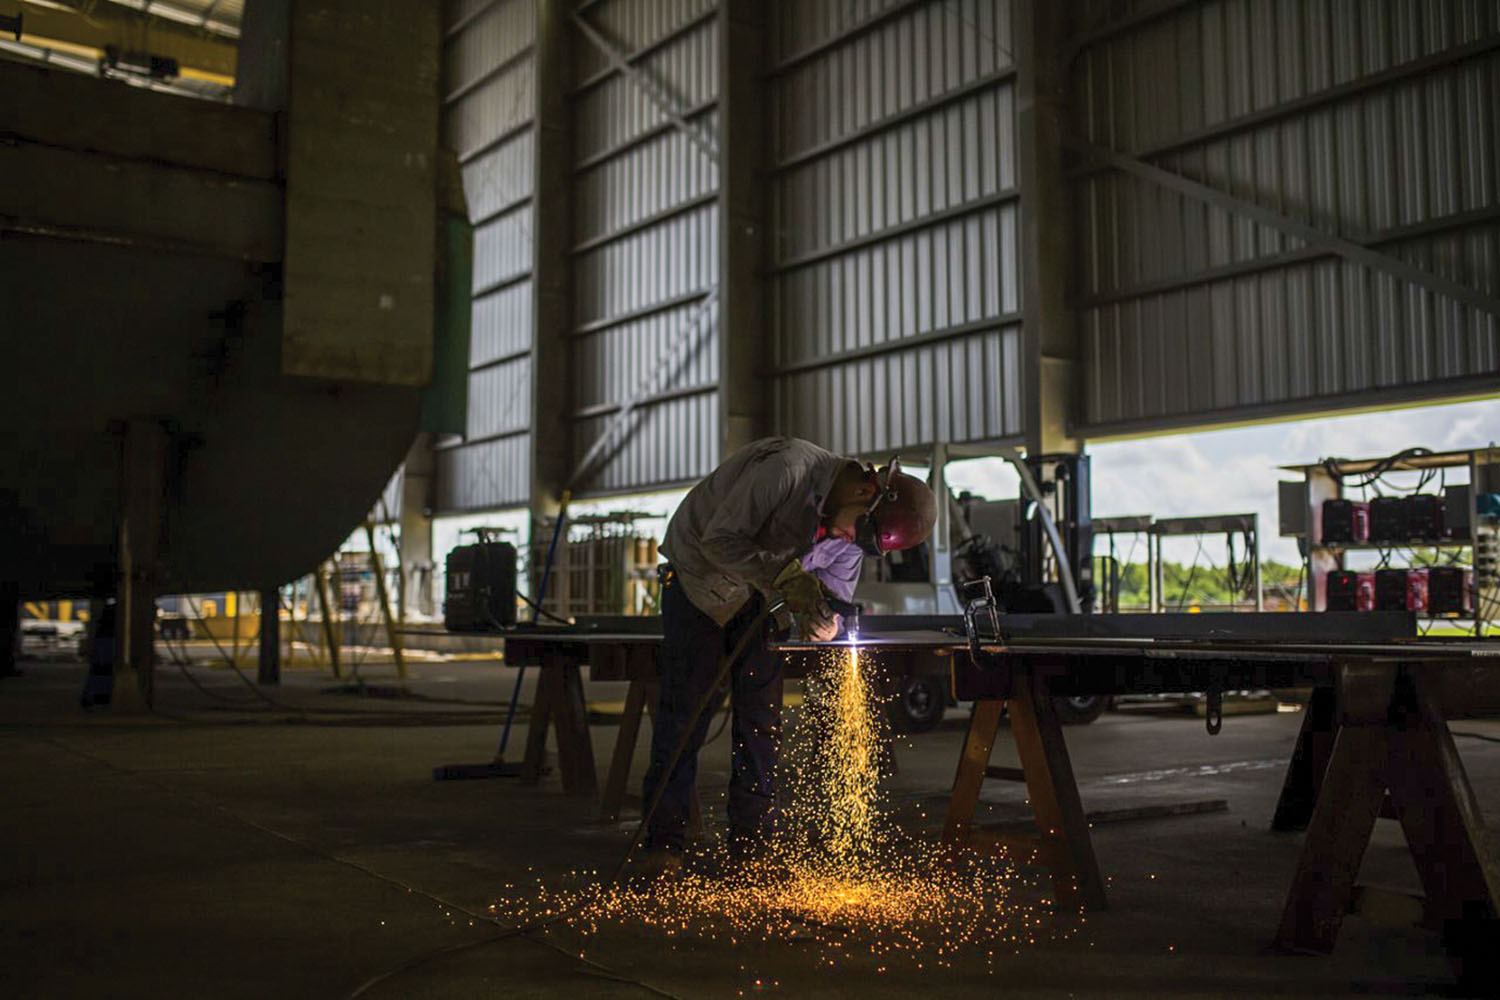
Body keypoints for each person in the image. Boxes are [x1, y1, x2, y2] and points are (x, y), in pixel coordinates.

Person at [636, 436, 937, 874]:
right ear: (865, 490)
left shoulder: (854, 536)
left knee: (761, 719)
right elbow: (718, 541)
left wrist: (824, 623)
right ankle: (664, 842)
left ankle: (752, 845)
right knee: (686, 713)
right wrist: (786, 578)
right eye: (856, 529)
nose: (848, 539)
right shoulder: (787, 470)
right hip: (697, 582)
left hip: (760, 596)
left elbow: (832, 596)